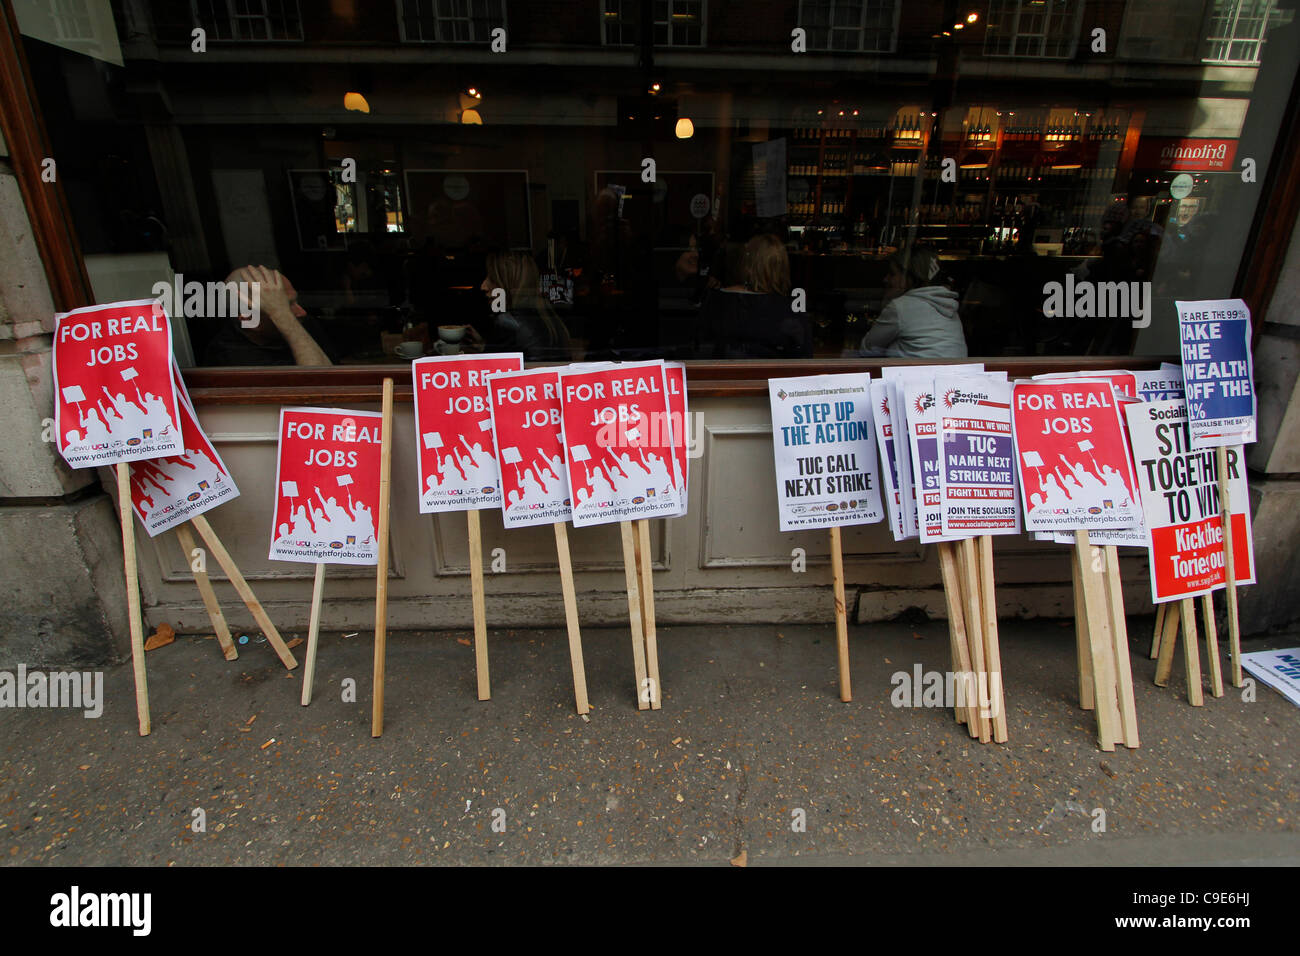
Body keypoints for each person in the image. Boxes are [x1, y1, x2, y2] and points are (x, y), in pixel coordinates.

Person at [698, 233, 812, 358]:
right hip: (770, 375)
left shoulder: (717, 300)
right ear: (782, 267)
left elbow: (701, 346)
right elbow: (803, 357)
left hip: (721, 375)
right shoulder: (790, 308)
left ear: (746, 264)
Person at [202, 265, 336, 366]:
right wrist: (285, 318)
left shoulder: (303, 323)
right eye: (284, 306)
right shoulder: (230, 356)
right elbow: (322, 388)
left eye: (296, 301)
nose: (302, 312)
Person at [859, 246, 967, 358]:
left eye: (892, 274)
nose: (885, 279)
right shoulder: (948, 305)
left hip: (918, 374)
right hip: (953, 373)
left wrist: (886, 303)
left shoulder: (901, 306)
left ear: (910, 278)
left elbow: (867, 350)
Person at [467, 250, 571, 360]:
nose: (483, 286)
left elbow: (492, 370)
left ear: (510, 283)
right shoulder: (548, 319)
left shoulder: (508, 322)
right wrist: (484, 346)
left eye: (493, 279)